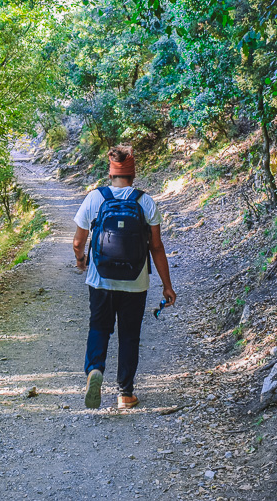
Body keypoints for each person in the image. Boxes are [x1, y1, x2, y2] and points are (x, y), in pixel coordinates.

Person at [72, 145, 176, 409]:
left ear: (111, 173)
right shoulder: (145, 201)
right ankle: (125, 393)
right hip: (135, 282)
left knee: (99, 328)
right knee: (129, 335)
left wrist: (81, 260)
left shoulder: (95, 198)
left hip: (100, 280)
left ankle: (95, 370)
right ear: (133, 174)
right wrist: (167, 285)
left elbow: (77, 242)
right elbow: (156, 247)